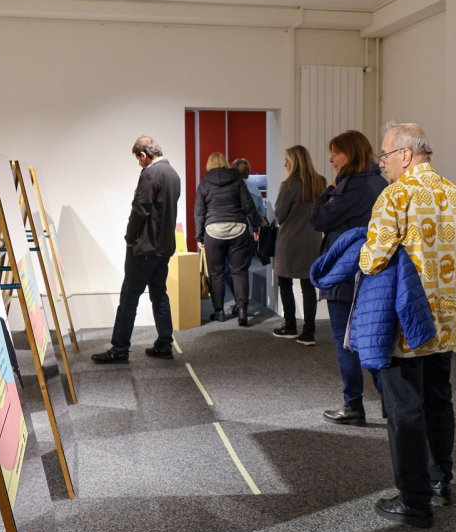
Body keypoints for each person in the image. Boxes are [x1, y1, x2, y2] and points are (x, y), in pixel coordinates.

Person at [359, 122, 456, 526]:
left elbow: (373, 259)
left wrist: (359, 252)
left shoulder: (395, 196)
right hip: (444, 322)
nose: (381, 164)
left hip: (406, 325)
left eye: (385, 155)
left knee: (405, 409)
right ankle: (440, 480)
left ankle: (414, 500)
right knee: (439, 401)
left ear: (406, 155)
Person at [311, 130, 388, 425]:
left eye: (336, 152)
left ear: (351, 153)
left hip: (346, 273)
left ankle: (353, 405)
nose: (331, 159)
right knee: (372, 337)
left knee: (346, 341)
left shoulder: (350, 187)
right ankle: (391, 402)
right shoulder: (379, 183)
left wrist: (328, 191)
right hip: (373, 271)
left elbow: (319, 219)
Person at [92, 135, 181, 363]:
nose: (139, 163)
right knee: (159, 295)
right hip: (164, 247)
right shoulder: (173, 174)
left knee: (129, 299)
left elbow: (140, 210)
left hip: (145, 249)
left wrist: (130, 238)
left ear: (144, 154)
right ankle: (164, 344)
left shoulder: (150, 174)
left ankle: (119, 348)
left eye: (138, 159)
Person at [195, 152, 263, 327]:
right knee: (239, 272)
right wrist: (256, 226)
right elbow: (248, 206)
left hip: (213, 232)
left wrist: (199, 236)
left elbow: (199, 212)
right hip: (238, 230)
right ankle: (242, 312)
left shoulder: (204, 184)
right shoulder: (237, 180)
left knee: (216, 273)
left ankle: (219, 312)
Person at [271, 145, 325, 345]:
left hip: (289, 241)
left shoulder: (288, 185)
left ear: (293, 162)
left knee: (284, 282)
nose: (284, 164)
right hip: (312, 240)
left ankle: (290, 326)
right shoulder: (320, 182)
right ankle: (309, 332)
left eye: (287, 160)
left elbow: (279, 215)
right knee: (308, 286)